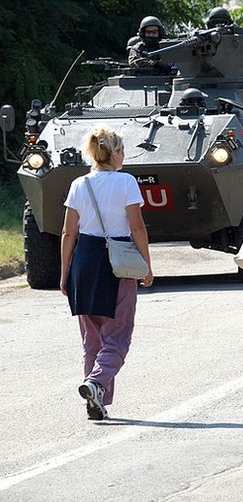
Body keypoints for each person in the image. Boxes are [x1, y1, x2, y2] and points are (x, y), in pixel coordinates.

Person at [60, 126, 153, 421]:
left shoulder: (79, 184)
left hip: (83, 262)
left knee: (92, 340)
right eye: (123, 150)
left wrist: (64, 273)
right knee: (118, 337)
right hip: (118, 263)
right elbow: (137, 227)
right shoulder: (126, 182)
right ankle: (96, 383)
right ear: (114, 153)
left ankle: (97, 401)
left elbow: (67, 232)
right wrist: (147, 265)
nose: (124, 156)